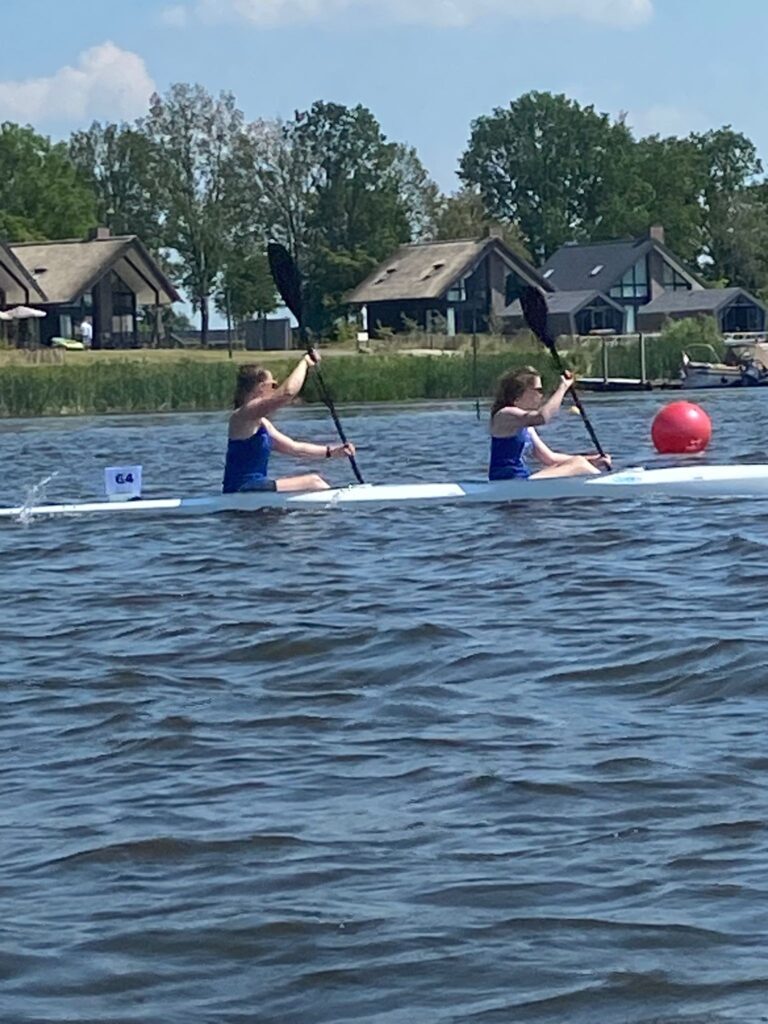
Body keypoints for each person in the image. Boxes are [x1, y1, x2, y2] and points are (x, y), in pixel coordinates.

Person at [222, 351, 356, 494]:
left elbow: (294, 448)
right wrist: (304, 363)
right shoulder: (244, 414)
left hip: (251, 488)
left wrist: (332, 452)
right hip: (243, 488)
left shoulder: (261, 423)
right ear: (261, 387)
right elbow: (288, 393)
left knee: (313, 482)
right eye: (273, 385)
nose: (275, 389)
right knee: (314, 481)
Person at [489, 366, 611, 480]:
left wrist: (592, 460)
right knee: (579, 464)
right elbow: (541, 418)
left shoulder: (526, 425)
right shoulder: (504, 415)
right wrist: (563, 387)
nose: (541, 395)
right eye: (538, 390)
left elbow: (549, 458)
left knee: (578, 461)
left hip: (520, 480)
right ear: (520, 392)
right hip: (508, 482)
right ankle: (606, 486)